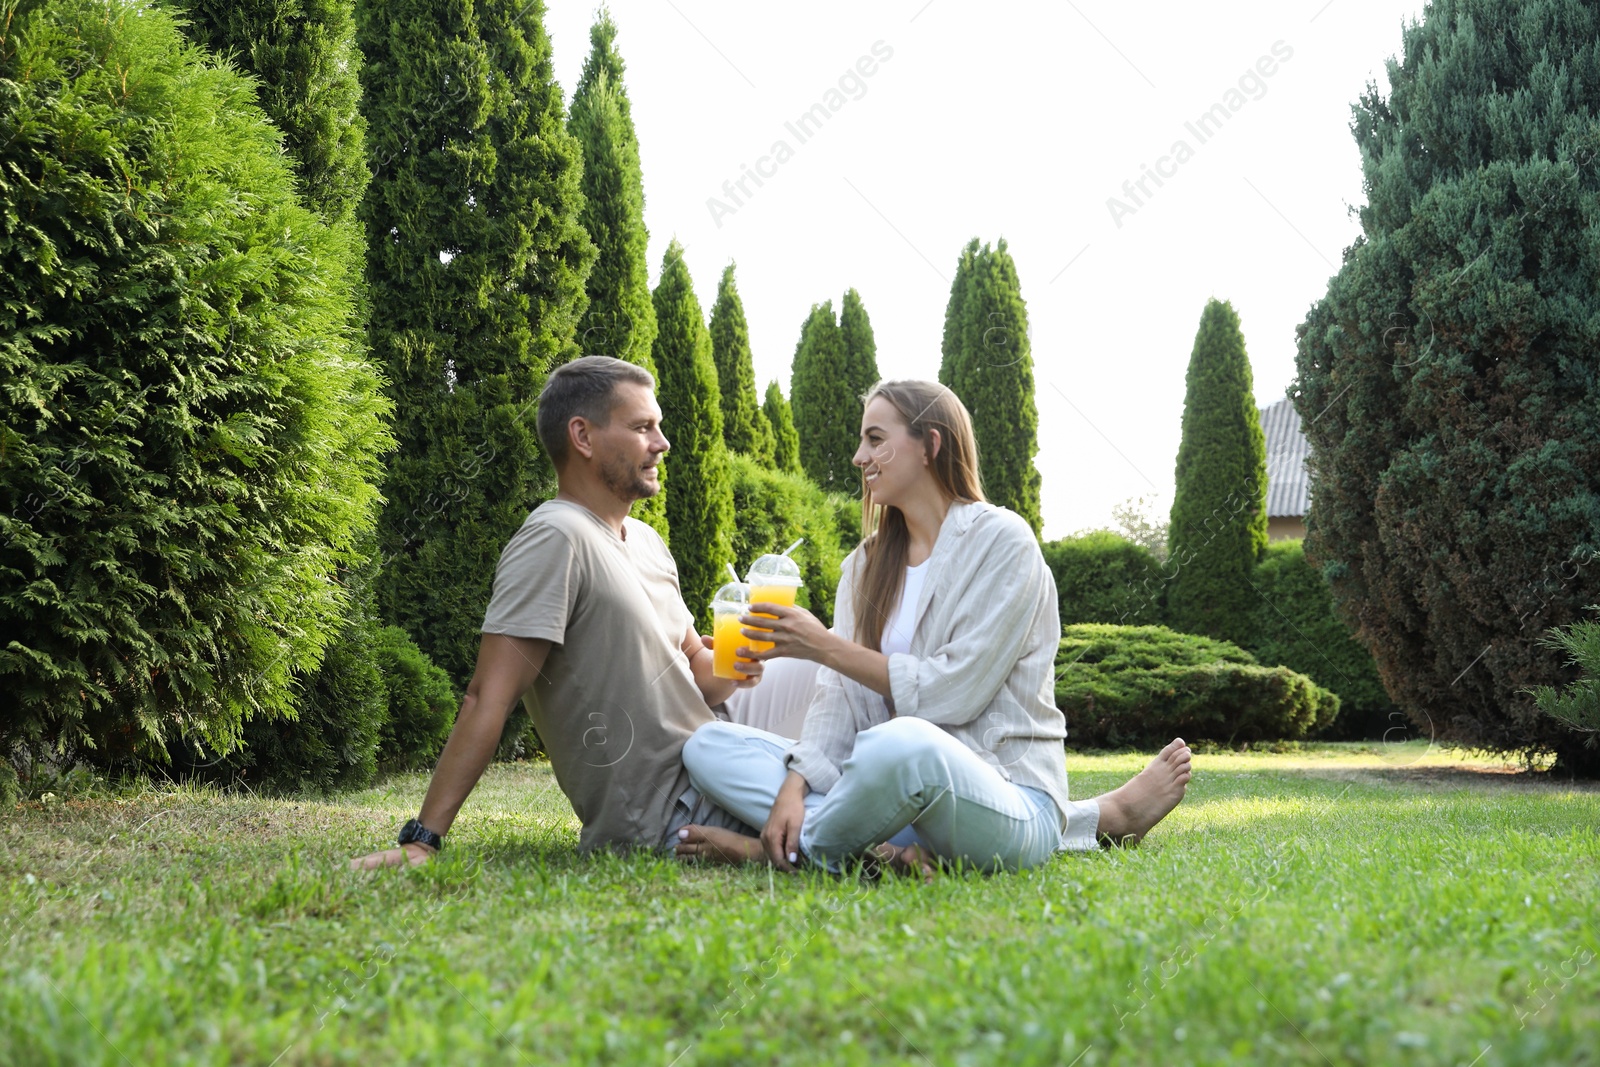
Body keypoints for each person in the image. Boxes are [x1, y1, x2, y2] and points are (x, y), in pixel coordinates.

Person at [673, 380, 1192, 877]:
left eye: (875, 439)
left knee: (900, 745)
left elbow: (953, 693)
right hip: (889, 795)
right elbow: (837, 701)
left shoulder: (1002, 543)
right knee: (708, 747)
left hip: (1002, 793)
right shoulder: (863, 565)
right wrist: (794, 783)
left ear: (930, 445)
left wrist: (823, 646)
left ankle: (782, 855)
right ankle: (880, 851)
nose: (859, 457)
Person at [350, 356, 800, 869]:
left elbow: (700, 668)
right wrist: (422, 839)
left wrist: (744, 654)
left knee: (820, 656)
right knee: (858, 800)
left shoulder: (648, 541)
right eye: (642, 427)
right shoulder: (555, 537)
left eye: (659, 426)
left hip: (718, 753)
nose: (662, 443)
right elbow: (487, 697)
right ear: (583, 437)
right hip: (675, 807)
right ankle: (849, 843)